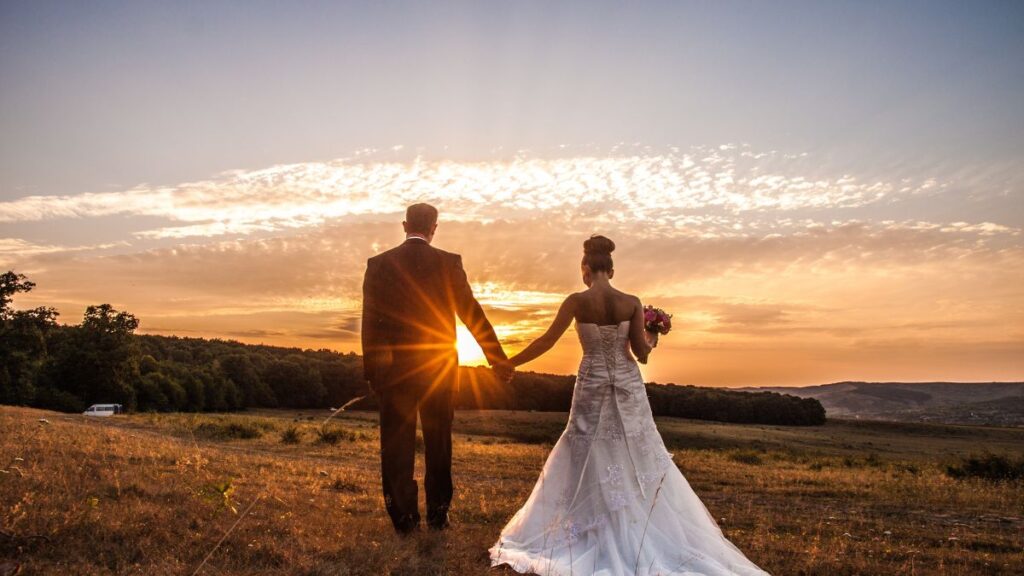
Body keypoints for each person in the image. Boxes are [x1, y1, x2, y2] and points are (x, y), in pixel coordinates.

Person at [489, 235, 770, 575]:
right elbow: (641, 354)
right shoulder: (631, 302)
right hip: (627, 385)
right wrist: (652, 338)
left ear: (585, 269)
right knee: (636, 449)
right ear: (611, 268)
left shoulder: (576, 301)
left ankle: (587, 521)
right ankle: (637, 518)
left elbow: (547, 340)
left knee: (585, 448)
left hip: (592, 384)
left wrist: (510, 363)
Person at [361, 203, 514, 534]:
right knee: (439, 444)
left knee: (396, 446)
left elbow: (369, 323)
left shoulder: (379, 264)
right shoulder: (449, 263)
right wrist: (496, 358)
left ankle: (403, 519)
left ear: (404, 225)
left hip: (395, 373)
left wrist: (373, 372)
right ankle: (438, 514)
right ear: (434, 227)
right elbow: (471, 312)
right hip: (440, 369)